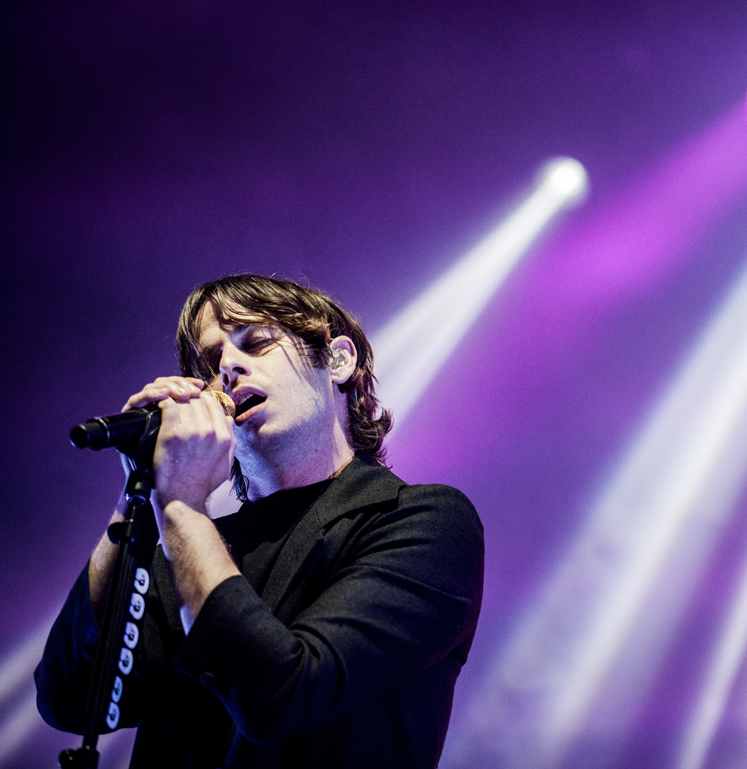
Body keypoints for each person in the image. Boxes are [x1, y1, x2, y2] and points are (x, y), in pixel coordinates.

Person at [36, 274, 485, 768]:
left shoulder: (420, 521)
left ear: (337, 360)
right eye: (210, 363)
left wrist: (181, 505)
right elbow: (69, 697)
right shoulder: (193, 546)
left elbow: (283, 695)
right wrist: (139, 493)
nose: (227, 366)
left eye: (257, 342)